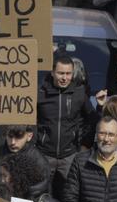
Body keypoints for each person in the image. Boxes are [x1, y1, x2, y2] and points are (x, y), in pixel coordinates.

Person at [38, 57, 95, 190]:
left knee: (71, 194)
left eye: (68, 73)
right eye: (60, 73)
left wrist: (85, 143)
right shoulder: (40, 93)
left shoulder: (79, 92)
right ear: (52, 72)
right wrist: (35, 144)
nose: (64, 78)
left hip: (70, 155)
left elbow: (92, 119)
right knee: (41, 193)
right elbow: (31, 121)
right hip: (44, 154)